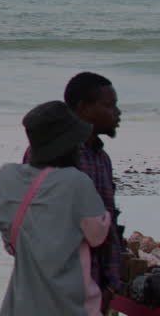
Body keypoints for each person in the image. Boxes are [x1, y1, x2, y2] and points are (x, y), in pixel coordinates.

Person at [0, 101, 110, 316]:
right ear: (69, 145)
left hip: (21, 303)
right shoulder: (76, 182)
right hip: (68, 304)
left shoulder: (8, 176)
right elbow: (97, 235)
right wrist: (108, 216)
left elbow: (10, 242)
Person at [65, 72, 125, 304]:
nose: (117, 112)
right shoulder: (56, 156)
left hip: (97, 285)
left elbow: (108, 221)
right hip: (66, 290)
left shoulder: (101, 158)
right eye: (110, 105)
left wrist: (111, 282)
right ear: (84, 108)